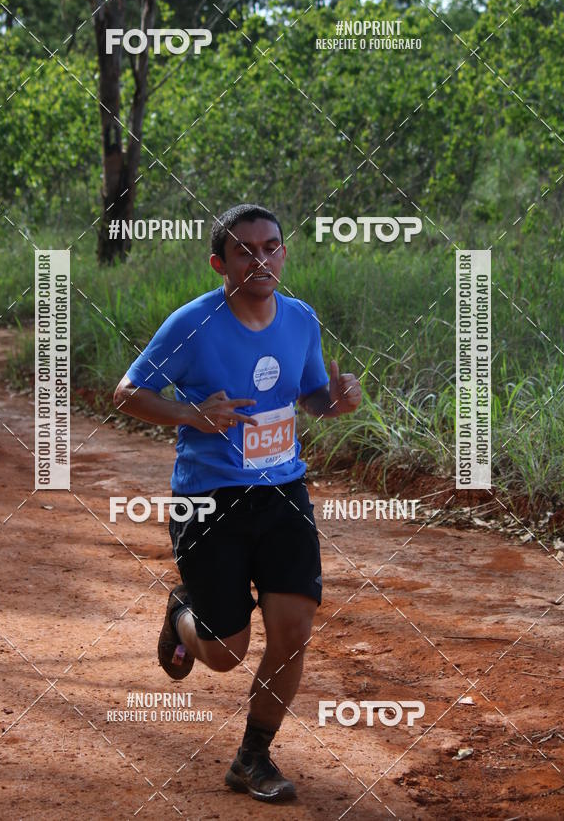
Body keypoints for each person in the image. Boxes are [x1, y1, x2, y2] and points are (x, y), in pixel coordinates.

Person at [113, 204, 362, 802]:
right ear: (218, 261)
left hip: (283, 493)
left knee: (293, 629)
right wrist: (190, 414)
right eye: (245, 250)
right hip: (209, 498)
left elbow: (309, 398)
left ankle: (253, 757)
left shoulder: (301, 319)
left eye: (271, 246)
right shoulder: (192, 325)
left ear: (284, 252)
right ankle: (183, 615)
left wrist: (336, 401)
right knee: (225, 652)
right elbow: (128, 394)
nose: (261, 259)